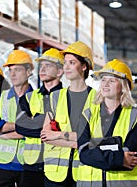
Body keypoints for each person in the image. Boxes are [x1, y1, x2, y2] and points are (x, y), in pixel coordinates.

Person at [77, 59, 137, 187]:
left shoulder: (135, 117)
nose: (105, 84)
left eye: (112, 80)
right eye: (103, 79)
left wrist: (96, 153)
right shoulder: (87, 115)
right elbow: (83, 153)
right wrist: (119, 158)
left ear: (123, 86)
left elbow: (131, 159)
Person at [40, 41, 96, 187]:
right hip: (55, 173)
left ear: (84, 66)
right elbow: (45, 135)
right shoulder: (55, 97)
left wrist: (57, 135)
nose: (67, 67)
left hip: (84, 171)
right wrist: (77, 142)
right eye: (65, 63)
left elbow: (96, 137)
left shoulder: (97, 99)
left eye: (72, 62)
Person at [15, 48, 64, 187]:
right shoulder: (28, 97)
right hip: (32, 165)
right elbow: (20, 127)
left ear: (60, 72)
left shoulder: (68, 98)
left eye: (48, 66)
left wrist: (35, 120)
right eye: (41, 65)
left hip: (58, 166)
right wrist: (51, 129)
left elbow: (69, 127)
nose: (42, 69)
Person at [0, 49, 34, 187]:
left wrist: (3, 128)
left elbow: (37, 130)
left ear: (28, 72)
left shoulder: (38, 98)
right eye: (10, 69)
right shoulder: (1, 98)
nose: (12, 74)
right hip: (1, 163)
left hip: (27, 162)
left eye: (17, 70)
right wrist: (22, 126)